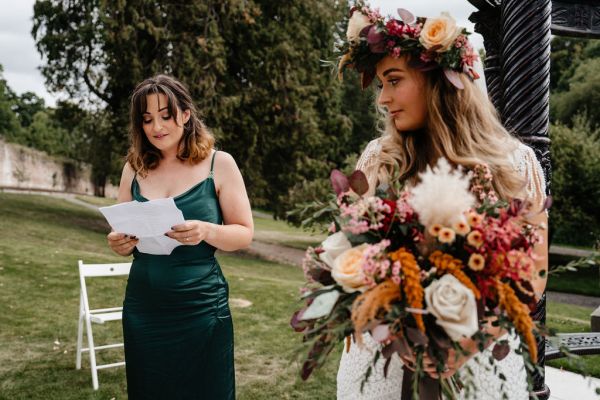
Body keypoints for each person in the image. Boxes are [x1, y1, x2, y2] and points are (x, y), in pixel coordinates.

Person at [335, 4, 548, 400]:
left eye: (393, 80)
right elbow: (351, 256)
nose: (383, 99)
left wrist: (462, 347)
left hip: (480, 361)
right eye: (381, 84)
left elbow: (531, 275)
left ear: (439, 81)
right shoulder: (378, 160)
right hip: (382, 360)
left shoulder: (514, 164)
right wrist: (395, 327)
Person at [106, 74, 253, 399]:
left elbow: (244, 234)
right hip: (144, 306)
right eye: (147, 119)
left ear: (186, 114)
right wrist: (117, 242)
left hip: (200, 306)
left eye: (165, 115)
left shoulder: (220, 163)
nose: (156, 126)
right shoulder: (134, 167)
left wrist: (206, 230)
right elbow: (121, 232)